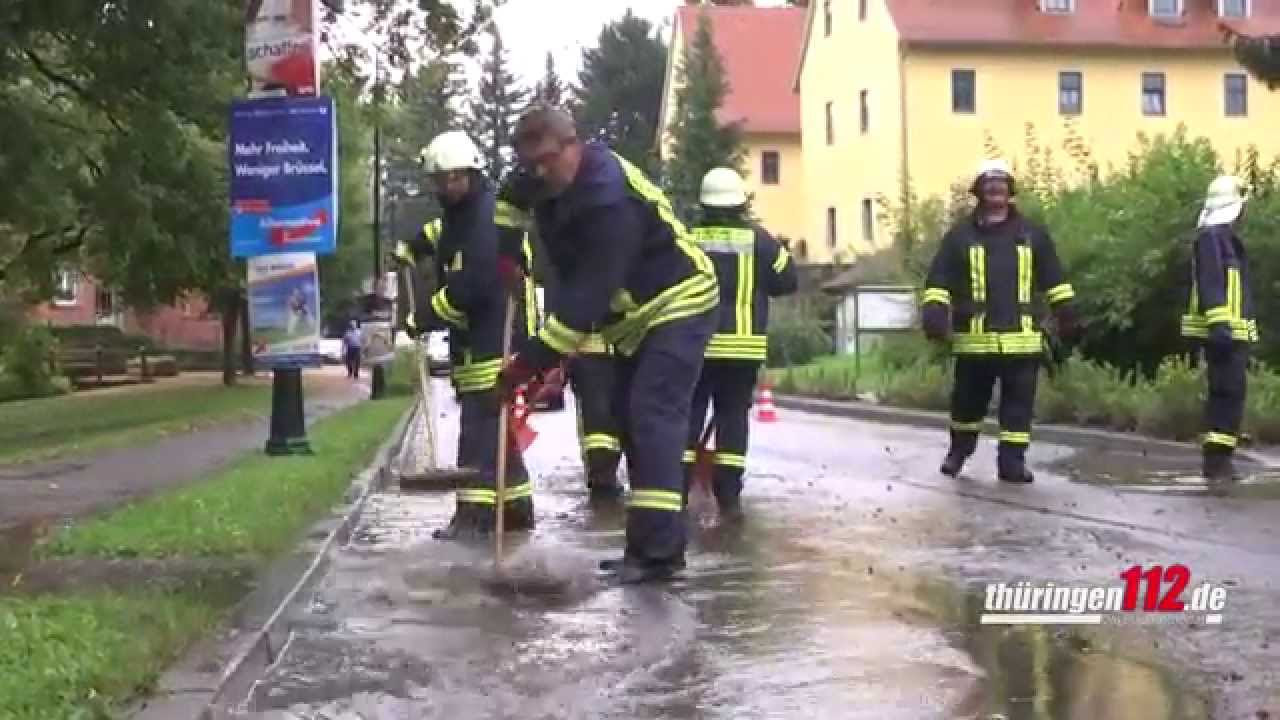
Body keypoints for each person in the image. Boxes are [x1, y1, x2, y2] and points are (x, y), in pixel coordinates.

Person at [500, 105, 719, 584]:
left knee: (652, 415)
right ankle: (642, 547)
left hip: (679, 299)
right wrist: (505, 251)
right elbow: (508, 200)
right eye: (530, 164)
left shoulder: (607, 199)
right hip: (633, 318)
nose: (539, 173)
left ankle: (660, 556)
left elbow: (588, 294)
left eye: (548, 162)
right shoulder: (542, 181)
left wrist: (529, 362)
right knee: (626, 420)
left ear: (573, 144)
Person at [402, 130, 535, 538]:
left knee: (479, 430)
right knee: (499, 432)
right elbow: (441, 234)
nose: (446, 186)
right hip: (478, 343)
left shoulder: (485, 219)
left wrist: (423, 317)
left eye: (453, 178)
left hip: (495, 340)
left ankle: (473, 518)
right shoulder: (463, 216)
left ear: (472, 174)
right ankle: (515, 507)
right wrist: (411, 247)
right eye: (440, 180)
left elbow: (474, 284)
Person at [921, 159, 1079, 483]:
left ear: (1010, 191)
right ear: (978, 191)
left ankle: (1012, 464)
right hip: (974, 343)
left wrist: (1068, 315)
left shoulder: (1033, 235)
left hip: (1021, 342)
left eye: (1001, 184)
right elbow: (939, 280)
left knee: (1018, 409)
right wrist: (935, 313)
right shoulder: (959, 237)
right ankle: (959, 452)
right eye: (989, 184)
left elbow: (1055, 279)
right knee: (966, 406)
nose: (996, 190)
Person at [684, 167, 798, 518]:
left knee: (690, 412)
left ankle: (677, 487)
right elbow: (788, 281)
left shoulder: (687, 239)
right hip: (742, 348)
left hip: (695, 344)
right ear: (740, 202)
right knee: (733, 416)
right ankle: (729, 495)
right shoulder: (760, 240)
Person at [1181, 175, 1257, 481]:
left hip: (1232, 333)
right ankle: (1216, 462)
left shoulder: (1226, 239)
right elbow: (1212, 283)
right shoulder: (1212, 238)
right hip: (1222, 334)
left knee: (1231, 394)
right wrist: (1219, 325)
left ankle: (1221, 459)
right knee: (1226, 394)